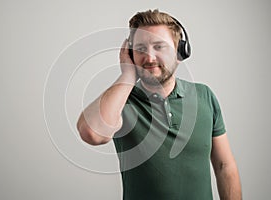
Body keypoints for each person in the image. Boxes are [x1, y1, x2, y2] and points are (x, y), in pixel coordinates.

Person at [77, 9, 241, 200]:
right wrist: (128, 76)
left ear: (180, 52)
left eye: (159, 47)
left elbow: (224, 166)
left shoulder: (204, 96)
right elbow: (92, 133)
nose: (149, 58)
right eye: (140, 49)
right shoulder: (122, 102)